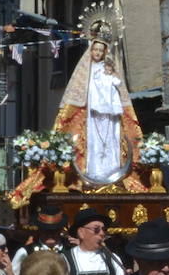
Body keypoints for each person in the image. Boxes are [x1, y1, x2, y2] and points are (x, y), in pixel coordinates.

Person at [52, 38, 143, 184]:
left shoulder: (109, 68)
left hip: (109, 113)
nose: (98, 53)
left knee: (111, 138)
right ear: (91, 51)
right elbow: (79, 89)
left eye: (101, 50)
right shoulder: (85, 69)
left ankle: (112, 170)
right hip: (93, 112)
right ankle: (93, 172)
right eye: (95, 50)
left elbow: (117, 85)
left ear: (105, 52)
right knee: (93, 139)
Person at [63, 208, 126, 275]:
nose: (102, 233)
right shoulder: (64, 260)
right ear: (81, 233)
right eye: (96, 230)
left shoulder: (113, 259)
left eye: (104, 229)